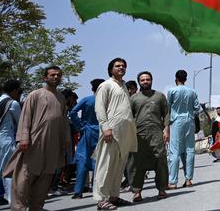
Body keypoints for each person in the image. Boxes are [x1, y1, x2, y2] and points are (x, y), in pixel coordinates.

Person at [3, 66, 70, 211]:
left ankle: (36, 207)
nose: (56, 77)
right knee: (24, 178)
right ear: (44, 78)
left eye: (59, 75)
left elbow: (64, 120)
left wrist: (65, 139)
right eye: (52, 75)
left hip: (53, 144)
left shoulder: (61, 97)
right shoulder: (35, 95)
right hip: (34, 142)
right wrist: (24, 138)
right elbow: (25, 117)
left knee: (45, 178)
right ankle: (18, 208)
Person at [93, 58, 137, 210]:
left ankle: (113, 196)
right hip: (110, 131)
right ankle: (101, 199)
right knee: (105, 165)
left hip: (124, 132)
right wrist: (106, 128)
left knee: (118, 166)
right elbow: (99, 108)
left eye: (124, 65)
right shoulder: (105, 85)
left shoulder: (124, 85)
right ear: (110, 69)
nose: (121, 67)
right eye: (118, 66)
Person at [127, 71, 169, 202]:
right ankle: (136, 191)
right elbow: (128, 116)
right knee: (136, 163)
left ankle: (162, 189)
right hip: (138, 134)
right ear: (139, 82)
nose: (145, 82)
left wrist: (167, 129)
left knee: (160, 159)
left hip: (157, 132)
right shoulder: (133, 98)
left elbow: (166, 113)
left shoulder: (160, 96)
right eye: (143, 80)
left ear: (152, 80)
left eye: (148, 79)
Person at [69, 79, 104, 199]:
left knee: (82, 159)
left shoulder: (86, 100)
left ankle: (78, 191)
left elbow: (73, 112)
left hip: (86, 132)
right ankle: (97, 188)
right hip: (102, 131)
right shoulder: (106, 101)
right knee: (100, 160)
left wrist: (79, 126)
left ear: (92, 88)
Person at [166, 69, 199, 189]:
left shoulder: (172, 91)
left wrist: (166, 126)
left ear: (176, 79)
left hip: (176, 121)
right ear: (186, 79)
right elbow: (197, 108)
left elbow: (168, 109)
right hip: (189, 120)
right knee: (189, 149)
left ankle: (172, 181)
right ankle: (188, 179)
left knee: (174, 151)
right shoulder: (192, 92)